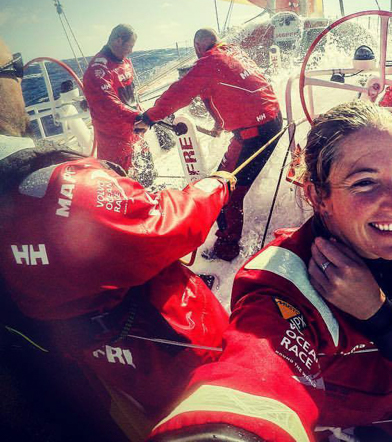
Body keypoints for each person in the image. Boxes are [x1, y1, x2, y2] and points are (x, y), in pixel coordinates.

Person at [150, 100, 392, 442]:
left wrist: (380, 315)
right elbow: (256, 365)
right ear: (318, 197)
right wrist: (223, 432)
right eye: (365, 182)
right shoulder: (279, 280)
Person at [0, 37, 237, 435]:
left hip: (77, 368)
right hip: (162, 354)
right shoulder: (56, 187)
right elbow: (166, 226)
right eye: (16, 69)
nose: (21, 84)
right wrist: (214, 186)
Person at [136, 28, 282, 261]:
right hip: (273, 120)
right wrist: (220, 124)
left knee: (225, 190)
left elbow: (179, 93)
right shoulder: (232, 51)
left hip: (253, 134)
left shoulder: (208, 62)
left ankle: (227, 249)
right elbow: (227, 89)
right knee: (233, 182)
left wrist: (148, 118)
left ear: (197, 47)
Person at [82, 24, 147, 173]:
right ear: (118, 41)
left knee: (144, 169)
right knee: (120, 178)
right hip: (114, 137)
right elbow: (109, 104)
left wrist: (140, 115)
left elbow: (132, 94)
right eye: (130, 46)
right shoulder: (98, 70)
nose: (131, 51)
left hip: (134, 128)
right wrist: (139, 116)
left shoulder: (125, 62)